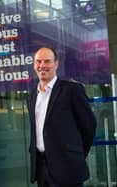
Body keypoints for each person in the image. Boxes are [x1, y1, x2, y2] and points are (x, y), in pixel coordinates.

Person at [27, 47, 96, 187]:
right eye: (38, 62)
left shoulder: (72, 90)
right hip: (41, 167)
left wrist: (75, 154)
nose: (42, 66)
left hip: (68, 167)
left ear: (56, 64)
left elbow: (89, 126)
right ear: (34, 65)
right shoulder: (32, 96)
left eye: (47, 61)